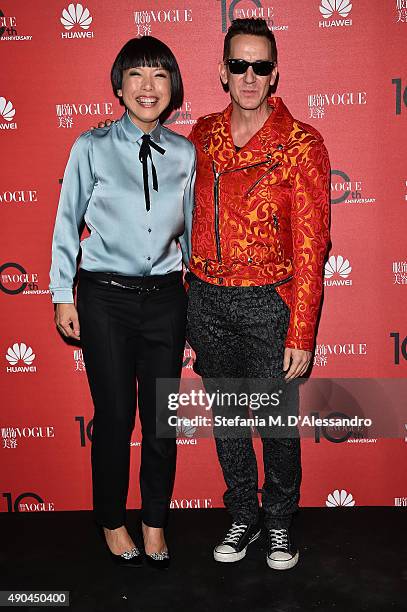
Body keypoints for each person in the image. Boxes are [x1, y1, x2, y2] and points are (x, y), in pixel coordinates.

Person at [186, 18, 330, 570]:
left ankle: (279, 523)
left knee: (273, 421)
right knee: (227, 419)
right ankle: (242, 514)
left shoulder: (302, 144)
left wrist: (301, 330)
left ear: (274, 74)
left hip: (269, 303)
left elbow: (313, 244)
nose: (250, 75)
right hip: (207, 301)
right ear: (223, 71)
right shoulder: (201, 135)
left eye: (261, 65)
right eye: (239, 64)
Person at [49, 36, 196, 569]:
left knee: (161, 419)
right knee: (114, 416)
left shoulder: (185, 154)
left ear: (172, 87)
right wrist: (62, 293)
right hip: (104, 298)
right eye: (136, 75)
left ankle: (154, 522)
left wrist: (196, 306)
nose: (147, 86)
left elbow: (194, 237)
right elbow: (67, 222)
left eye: (159, 75)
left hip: (165, 301)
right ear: (119, 87)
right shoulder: (89, 146)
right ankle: (111, 519)